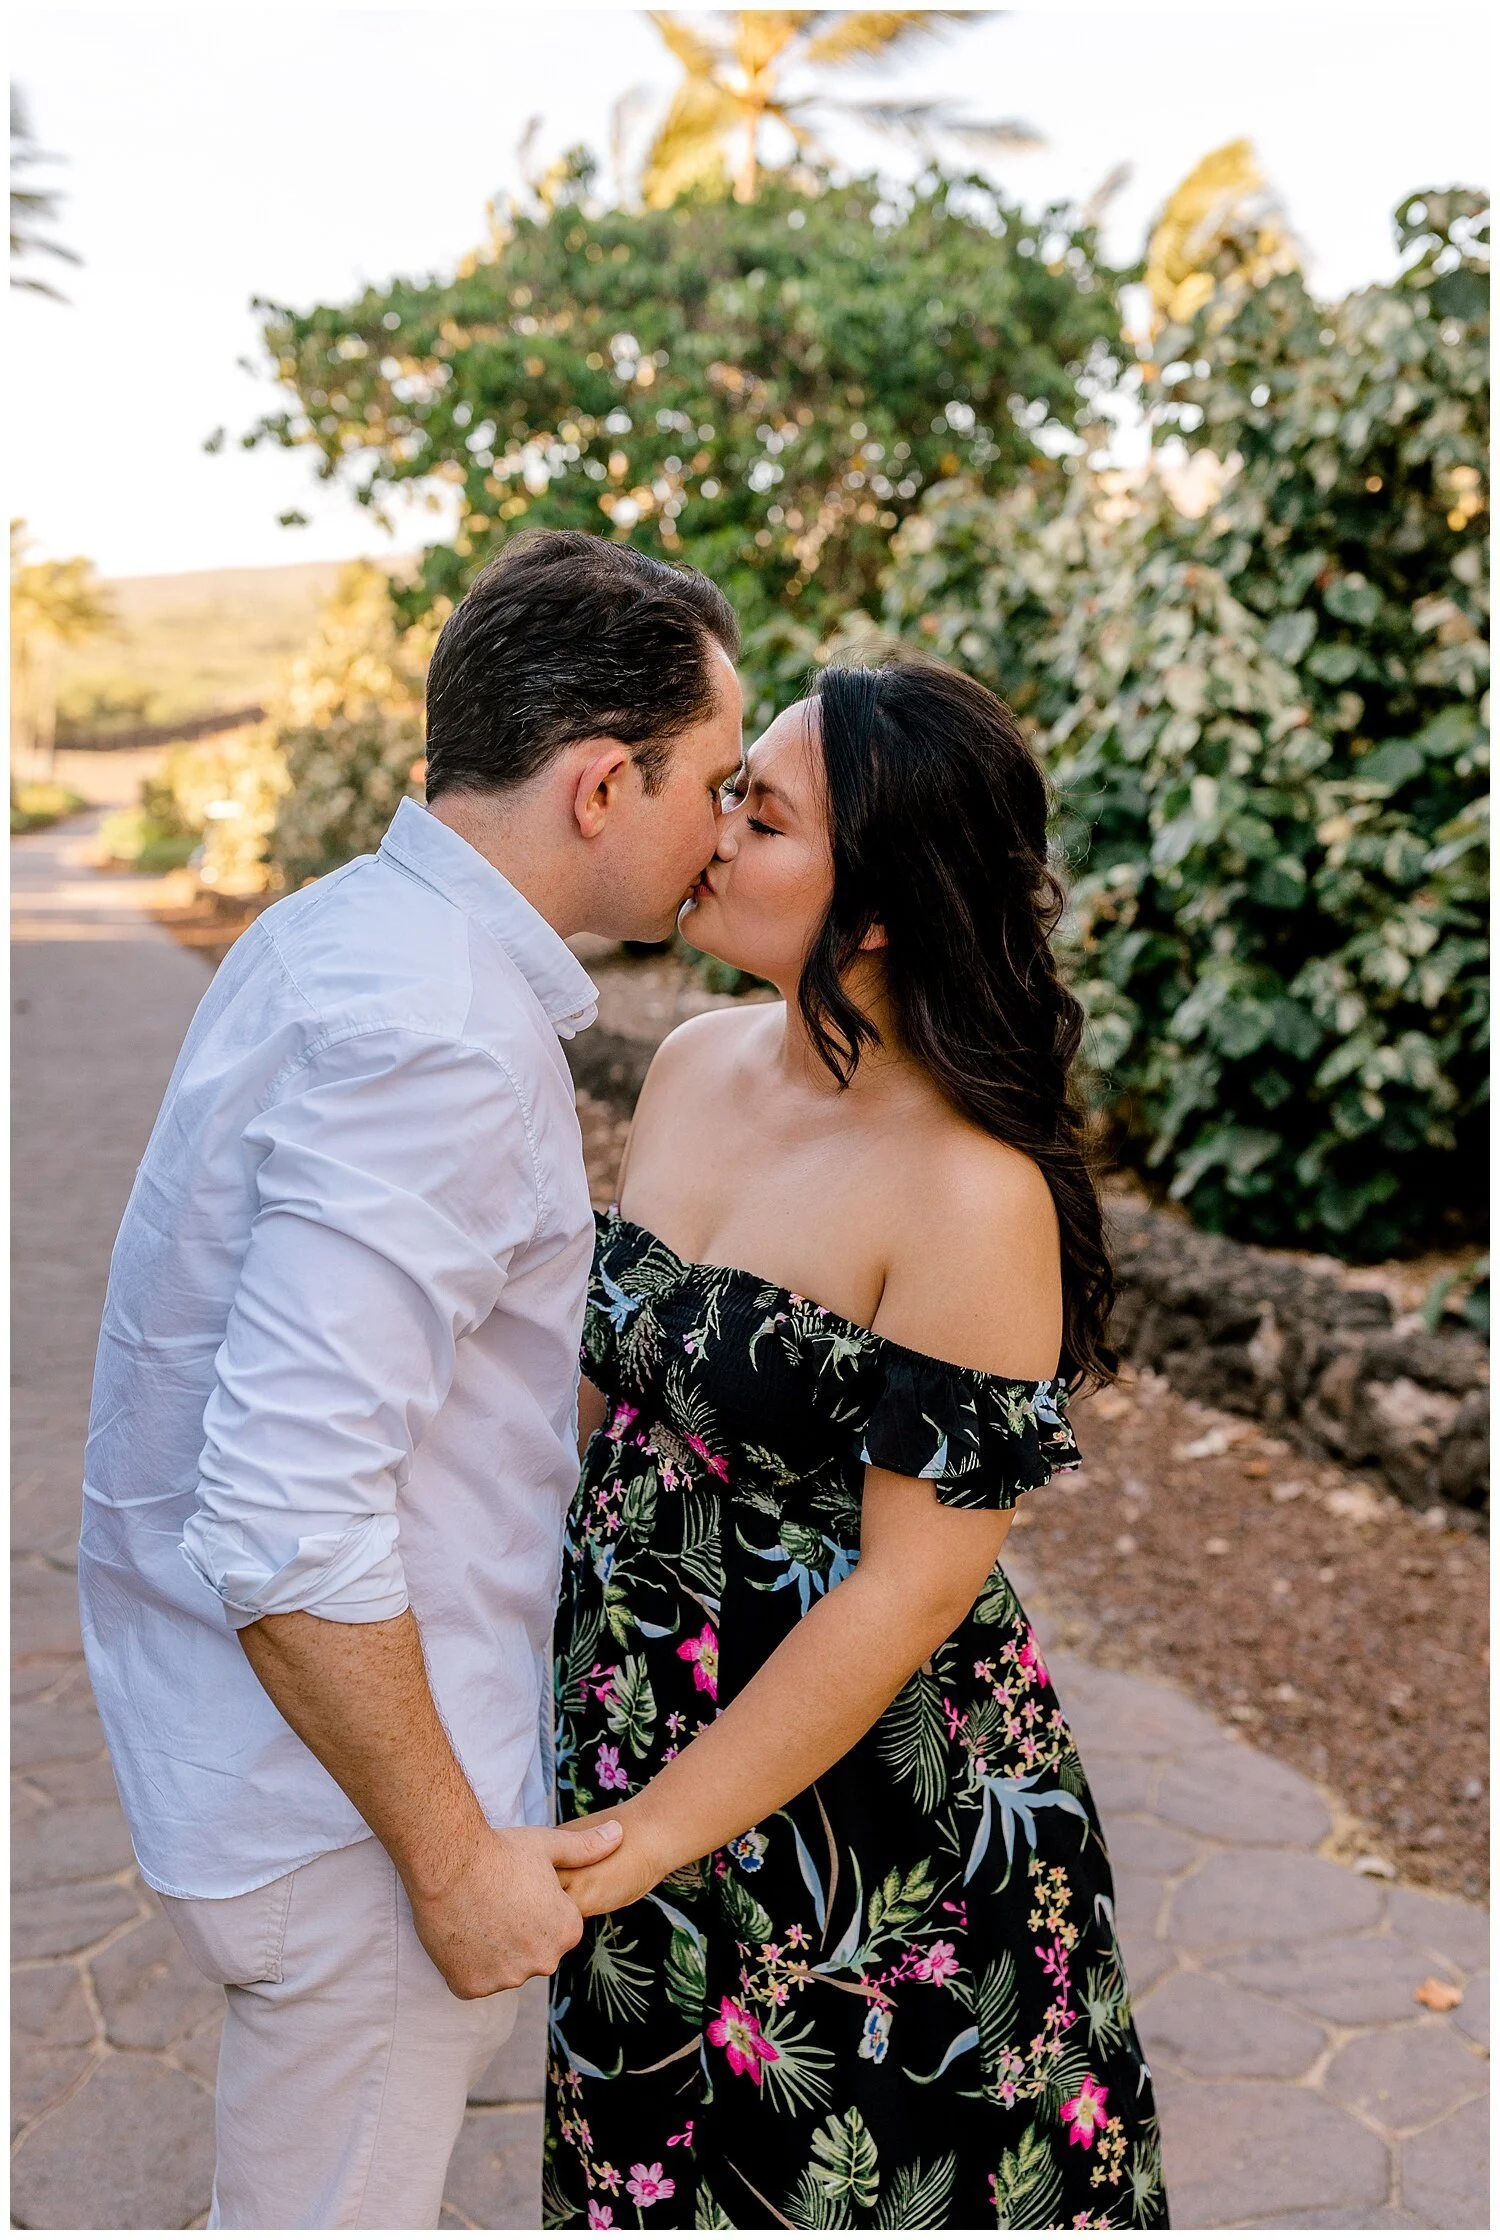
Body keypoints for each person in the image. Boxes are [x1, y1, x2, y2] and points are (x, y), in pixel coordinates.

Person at [78, 532, 746, 2231]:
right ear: (603, 784)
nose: (724, 828)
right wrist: (455, 1869)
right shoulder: (437, 1034)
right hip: (353, 1826)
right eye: (714, 781)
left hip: (279, 1764)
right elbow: (288, 1516)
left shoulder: (344, 937)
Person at [543, 657, 1169, 2231]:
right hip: (634, 1759)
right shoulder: (688, 1065)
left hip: (873, 1852)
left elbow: (909, 1595)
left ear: (875, 906)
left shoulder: (970, 1193)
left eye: (760, 812)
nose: (713, 829)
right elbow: (619, 1399)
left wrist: (644, 1840)